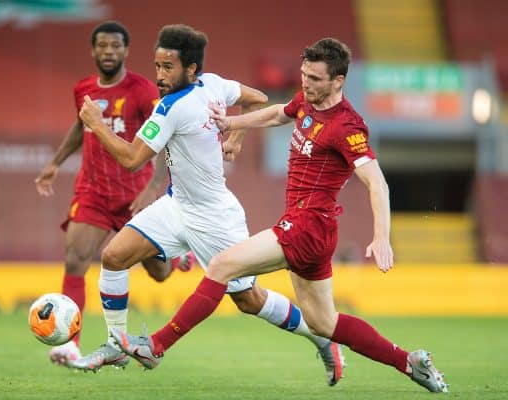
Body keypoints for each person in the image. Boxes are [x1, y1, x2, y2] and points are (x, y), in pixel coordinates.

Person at [111, 38, 450, 394]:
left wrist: (382, 236)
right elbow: (277, 113)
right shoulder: (307, 100)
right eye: (304, 75)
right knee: (324, 323)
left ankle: (156, 345)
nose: (306, 83)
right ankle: (409, 362)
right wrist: (232, 121)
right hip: (313, 232)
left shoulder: (347, 126)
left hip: (306, 226)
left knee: (221, 267)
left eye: (316, 79)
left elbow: (377, 182)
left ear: (338, 81)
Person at [73, 24, 346, 386]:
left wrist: (96, 123)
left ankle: (321, 337)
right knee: (113, 257)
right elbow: (256, 97)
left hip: (215, 216)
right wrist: (236, 137)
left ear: (191, 70)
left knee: (250, 300)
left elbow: (131, 159)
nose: (160, 76)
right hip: (176, 204)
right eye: (157, 66)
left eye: (168, 68)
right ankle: (116, 343)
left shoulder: (171, 107)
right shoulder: (215, 83)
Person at [34, 21, 195, 368]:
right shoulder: (83, 89)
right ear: (93, 51)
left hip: (135, 196)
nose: (108, 51)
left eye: (115, 46)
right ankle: (70, 345)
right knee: (76, 258)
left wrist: (154, 186)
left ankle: (179, 257)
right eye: (102, 46)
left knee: (160, 273)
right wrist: (54, 162)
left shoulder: (142, 91)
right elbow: (82, 127)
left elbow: (167, 135)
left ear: (125, 51)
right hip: (92, 191)